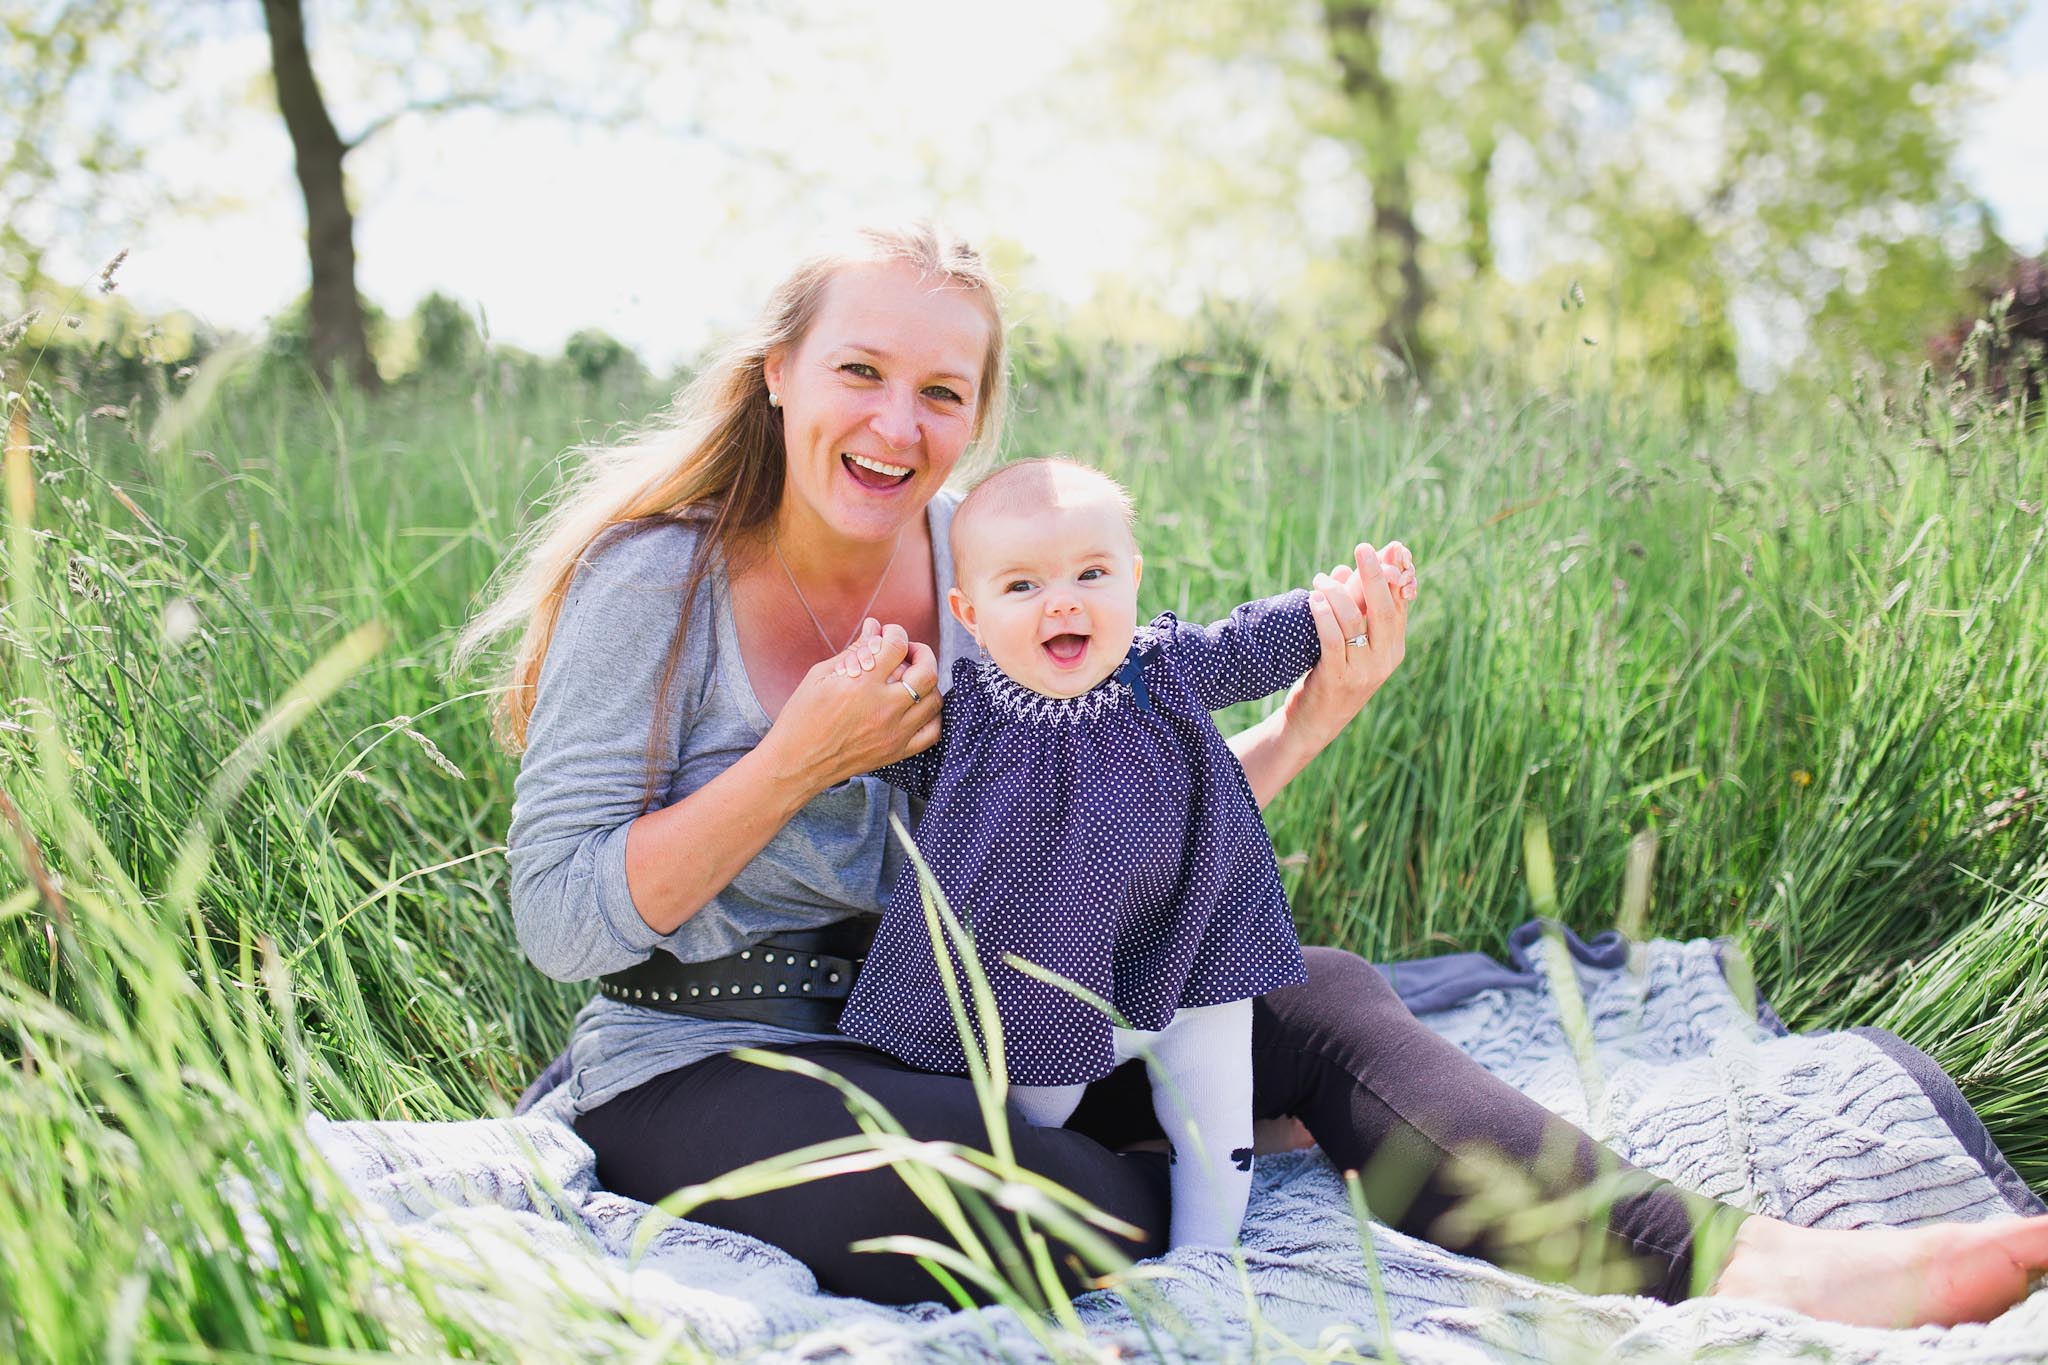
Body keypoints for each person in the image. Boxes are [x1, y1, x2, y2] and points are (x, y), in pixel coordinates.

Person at [466, 222, 2048, 1325]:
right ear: (777, 377)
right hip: (704, 1063)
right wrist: (798, 756)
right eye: (861, 373)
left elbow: (1102, 840)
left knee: (1321, 999)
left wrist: (1309, 722)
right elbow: (562, 918)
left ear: (976, 416)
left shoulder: (984, 569)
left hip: (958, 1013)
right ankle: (1191, 1148)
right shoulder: (654, 582)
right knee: (1072, 1214)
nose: (898, 424)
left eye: (944, 392)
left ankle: (1748, 1264)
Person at [830, 456, 1413, 1253]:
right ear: (970, 612)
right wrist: (863, 690)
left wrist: (1334, 608)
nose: (1063, 599)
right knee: (1026, 1127)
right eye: (1023, 586)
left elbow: (1250, 643)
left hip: (1196, 946)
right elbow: (867, 741)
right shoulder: (968, 721)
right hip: (1044, 977)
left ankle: (1208, 1259)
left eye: (1092, 572)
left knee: (1213, 1109)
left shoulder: (1161, 669)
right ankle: (1053, 1194)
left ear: (1133, 579)